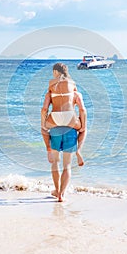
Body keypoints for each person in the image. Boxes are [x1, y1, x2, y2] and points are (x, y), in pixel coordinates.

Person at [41, 63, 87, 202]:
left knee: (55, 161)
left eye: (53, 72)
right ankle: (62, 194)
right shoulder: (75, 92)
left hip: (55, 121)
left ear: (56, 71)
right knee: (67, 165)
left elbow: (44, 110)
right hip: (70, 121)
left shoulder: (50, 91)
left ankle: (49, 150)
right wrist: (82, 126)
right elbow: (83, 110)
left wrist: (44, 125)